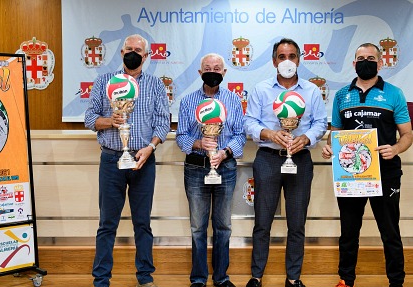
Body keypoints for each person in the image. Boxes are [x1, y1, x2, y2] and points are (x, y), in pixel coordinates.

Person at [321, 43, 412, 287]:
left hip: (386, 173)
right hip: (352, 174)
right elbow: (335, 132)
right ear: (353, 64)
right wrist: (331, 146)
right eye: (361, 58)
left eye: (371, 58)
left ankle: (396, 282)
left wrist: (395, 148)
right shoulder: (342, 95)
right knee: (349, 231)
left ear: (380, 63)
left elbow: (407, 134)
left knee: (390, 231)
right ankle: (346, 279)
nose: (366, 61)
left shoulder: (394, 93)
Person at [84, 34, 170, 287]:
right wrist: (110, 120)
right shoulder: (103, 82)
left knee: (142, 223)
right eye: (128, 49)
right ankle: (101, 279)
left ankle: (145, 277)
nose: (133, 53)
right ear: (121, 53)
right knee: (107, 224)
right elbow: (90, 120)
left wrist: (151, 148)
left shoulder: (155, 85)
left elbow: (163, 123)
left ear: (146, 56)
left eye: (138, 50)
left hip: (143, 161)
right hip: (111, 160)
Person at [244, 38, 327, 287]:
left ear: (299, 60)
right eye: (282, 56)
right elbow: (250, 122)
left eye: (292, 56)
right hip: (268, 159)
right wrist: (270, 134)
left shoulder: (312, 91)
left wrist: (306, 137)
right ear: (274, 61)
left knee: (297, 224)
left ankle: (293, 278)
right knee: (262, 223)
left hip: (300, 160)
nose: (287, 61)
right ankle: (256, 277)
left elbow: (321, 124)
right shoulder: (260, 89)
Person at [176, 53, 247, 287]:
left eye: (217, 68)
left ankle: (221, 277)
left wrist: (225, 152)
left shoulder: (234, 101)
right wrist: (198, 144)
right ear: (200, 72)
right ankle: (198, 279)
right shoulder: (187, 102)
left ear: (225, 72)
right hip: (196, 168)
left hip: (225, 168)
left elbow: (240, 135)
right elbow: (181, 136)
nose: (213, 71)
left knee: (223, 225)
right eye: (208, 68)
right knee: (197, 227)